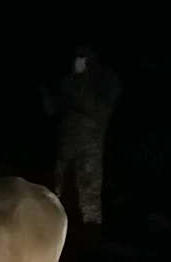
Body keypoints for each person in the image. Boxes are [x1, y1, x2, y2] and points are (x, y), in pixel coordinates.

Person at [44, 46, 121, 249]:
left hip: (90, 149)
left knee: (89, 194)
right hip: (66, 148)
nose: (76, 63)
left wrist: (75, 88)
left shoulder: (104, 82)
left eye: (81, 59)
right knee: (59, 193)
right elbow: (54, 109)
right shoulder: (70, 82)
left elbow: (97, 110)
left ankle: (91, 241)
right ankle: (59, 234)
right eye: (76, 58)